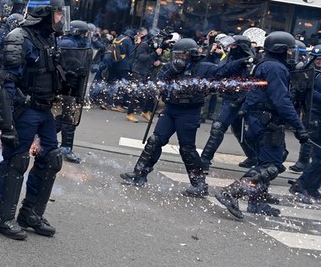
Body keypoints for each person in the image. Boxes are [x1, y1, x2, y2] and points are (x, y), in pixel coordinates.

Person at [121, 38, 249, 197]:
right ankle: (140, 174)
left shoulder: (203, 67)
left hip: (189, 112)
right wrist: (171, 71)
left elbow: (223, 70)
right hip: (170, 109)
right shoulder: (171, 66)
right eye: (177, 54)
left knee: (187, 148)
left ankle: (199, 184)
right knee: (155, 140)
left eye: (182, 54)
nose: (179, 57)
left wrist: (241, 61)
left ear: (191, 54)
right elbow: (158, 82)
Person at [0, 0, 67, 240]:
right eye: (57, 12)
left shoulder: (47, 39)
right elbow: (2, 85)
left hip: (44, 110)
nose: (60, 17)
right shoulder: (19, 37)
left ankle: (30, 214)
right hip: (26, 110)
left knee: (51, 159)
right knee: (16, 162)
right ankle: (3, 217)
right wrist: (7, 125)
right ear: (44, 13)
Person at [215, 32, 312, 218]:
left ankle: (257, 202)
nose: (292, 54)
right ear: (281, 50)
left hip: (258, 119)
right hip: (266, 121)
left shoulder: (265, 63)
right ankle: (231, 192)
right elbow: (281, 100)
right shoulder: (275, 68)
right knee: (270, 165)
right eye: (290, 50)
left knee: (270, 158)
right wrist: (298, 126)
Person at [199, 35, 259, 171]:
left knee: (218, 126)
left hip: (239, 99)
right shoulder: (233, 58)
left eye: (233, 45)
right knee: (237, 129)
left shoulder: (250, 62)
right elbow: (221, 71)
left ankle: (205, 159)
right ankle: (253, 156)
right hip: (229, 96)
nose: (231, 48)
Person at [56, 20, 91, 163]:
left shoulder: (72, 43)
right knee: (68, 119)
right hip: (67, 87)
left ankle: (45, 140)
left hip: (68, 87)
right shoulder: (68, 45)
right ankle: (64, 149)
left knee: (66, 117)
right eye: (84, 33)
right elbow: (71, 65)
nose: (85, 36)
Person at [290, 44, 321, 203]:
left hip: (314, 117)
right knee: (319, 158)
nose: (318, 61)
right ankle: (301, 185)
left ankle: (312, 187)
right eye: (317, 58)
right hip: (314, 117)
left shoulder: (312, 74)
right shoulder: (311, 74)